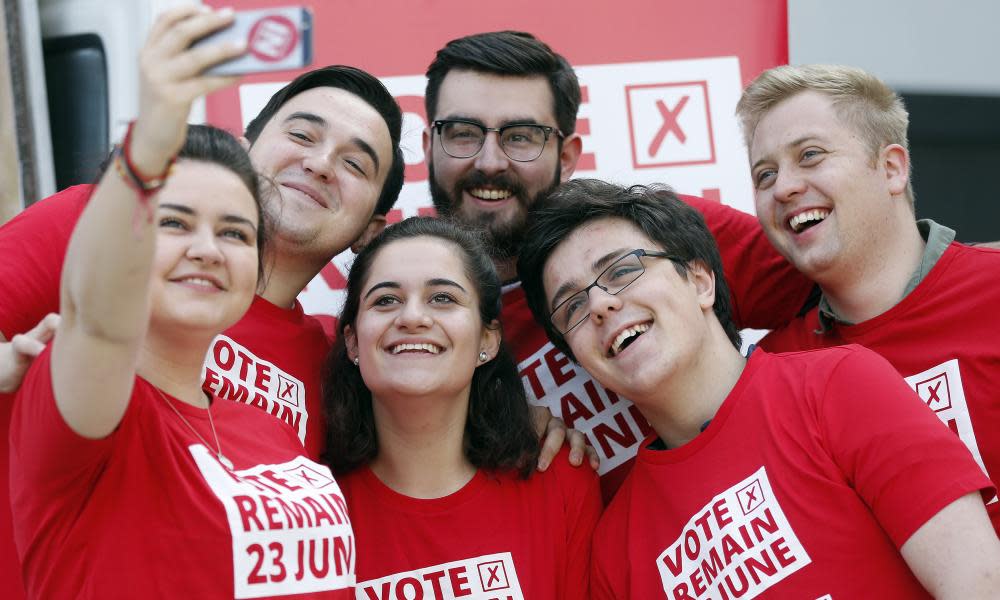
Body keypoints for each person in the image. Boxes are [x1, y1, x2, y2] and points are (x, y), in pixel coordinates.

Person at [517, 178, 1000, 598]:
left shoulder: (840, 385)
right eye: (572, 307)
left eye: (623, 271)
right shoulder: (615, 548)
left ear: (701, 280)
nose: (599, 304)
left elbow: (978, 582)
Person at [11, 7, 354, 597]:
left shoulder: (270, 424)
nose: (207, 249)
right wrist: (150, 141)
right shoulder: (88, 404)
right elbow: (97, 316)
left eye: (234, 232)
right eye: (174, 223)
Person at [421, 30, 816, 499]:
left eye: (520, 137)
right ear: (429, 146)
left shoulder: (648, 236)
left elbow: (844, 297)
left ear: (566, 156)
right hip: (622, 563)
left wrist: (754, 412)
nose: (489, 162)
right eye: (463, 133)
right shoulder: (415, 319)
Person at [735, 64, 1000, 532]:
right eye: (765, 175)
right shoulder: (774, 374)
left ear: (892, 168)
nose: (784, 187)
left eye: (811, 155)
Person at [323, 217, 602, 598]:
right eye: (386, 300)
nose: (413, 318)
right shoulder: (314, 504)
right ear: (353, 342)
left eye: (443, 298)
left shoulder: (559, 479)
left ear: (487, 340)